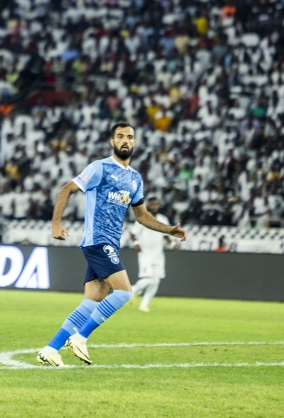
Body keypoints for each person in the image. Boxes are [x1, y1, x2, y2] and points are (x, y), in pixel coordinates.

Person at [37, 123, 187, 366]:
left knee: (91, 301)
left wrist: (168, 229)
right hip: (98, 241)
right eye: (120, 136)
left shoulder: (135, 178)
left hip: (109, 244)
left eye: (129, 136)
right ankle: (81, 337)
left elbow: (142, 216)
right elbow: (67, 189)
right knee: (124, 292)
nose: (125, 140)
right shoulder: (100, 167)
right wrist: (56, 224)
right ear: (112, 141)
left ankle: (50, 349)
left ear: (135, 142)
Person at [125, 196, 179, 312]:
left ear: (158, 205)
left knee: (156, 281)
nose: (154, 206)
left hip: (158, 255)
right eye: (152, 204)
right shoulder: (143, 218)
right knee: (148, 278)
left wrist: (173, 245)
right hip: (145, 254)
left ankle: (144, 305)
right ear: (148, 206)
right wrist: (136, 243)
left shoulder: (163, 219)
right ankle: (133, 289)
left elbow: (166, 235)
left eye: (156, 204)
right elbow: (133, 234)